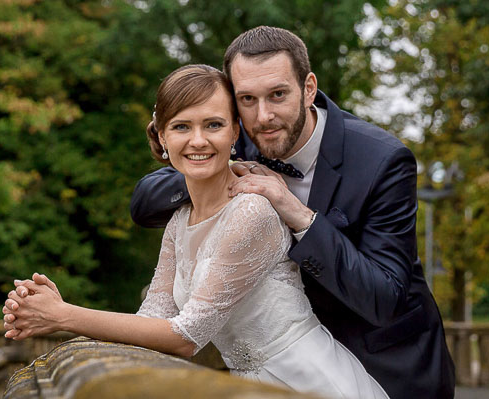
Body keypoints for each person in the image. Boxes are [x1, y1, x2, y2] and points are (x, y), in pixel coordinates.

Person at [3, 64, 389, 398]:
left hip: (310, 382)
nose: (198, 140)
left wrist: (64, 315)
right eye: (182, 126)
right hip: (252, 387)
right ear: (162, 138)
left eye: (214, 125)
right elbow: (152, 316)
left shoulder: (251, 213)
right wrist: (52, 308)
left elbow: (185, 338)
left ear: (236, 132)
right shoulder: (178, 221)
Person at [129, 26, 455, 398]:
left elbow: (384, 298)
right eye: (247, 99)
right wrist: (219, 169)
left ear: (309, 88)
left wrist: (296, 212)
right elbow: (144, 204)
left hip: (389, 365)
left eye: (278, 95)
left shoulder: (382, 160)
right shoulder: (240, 147)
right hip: (277, 374)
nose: (263, 116)